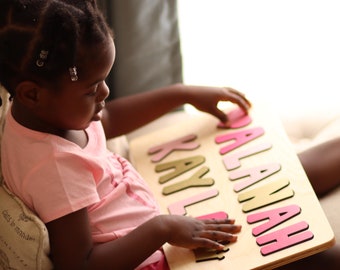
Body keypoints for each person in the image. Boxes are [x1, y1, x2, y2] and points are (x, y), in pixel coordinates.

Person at [0, 1, 251, 269]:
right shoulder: (55, 169)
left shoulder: (49, 115)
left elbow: (109, 120)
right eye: (92, 88)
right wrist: (163, 228)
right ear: (31, 94)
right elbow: (80, 264)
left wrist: (182, 93)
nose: (105, 92)